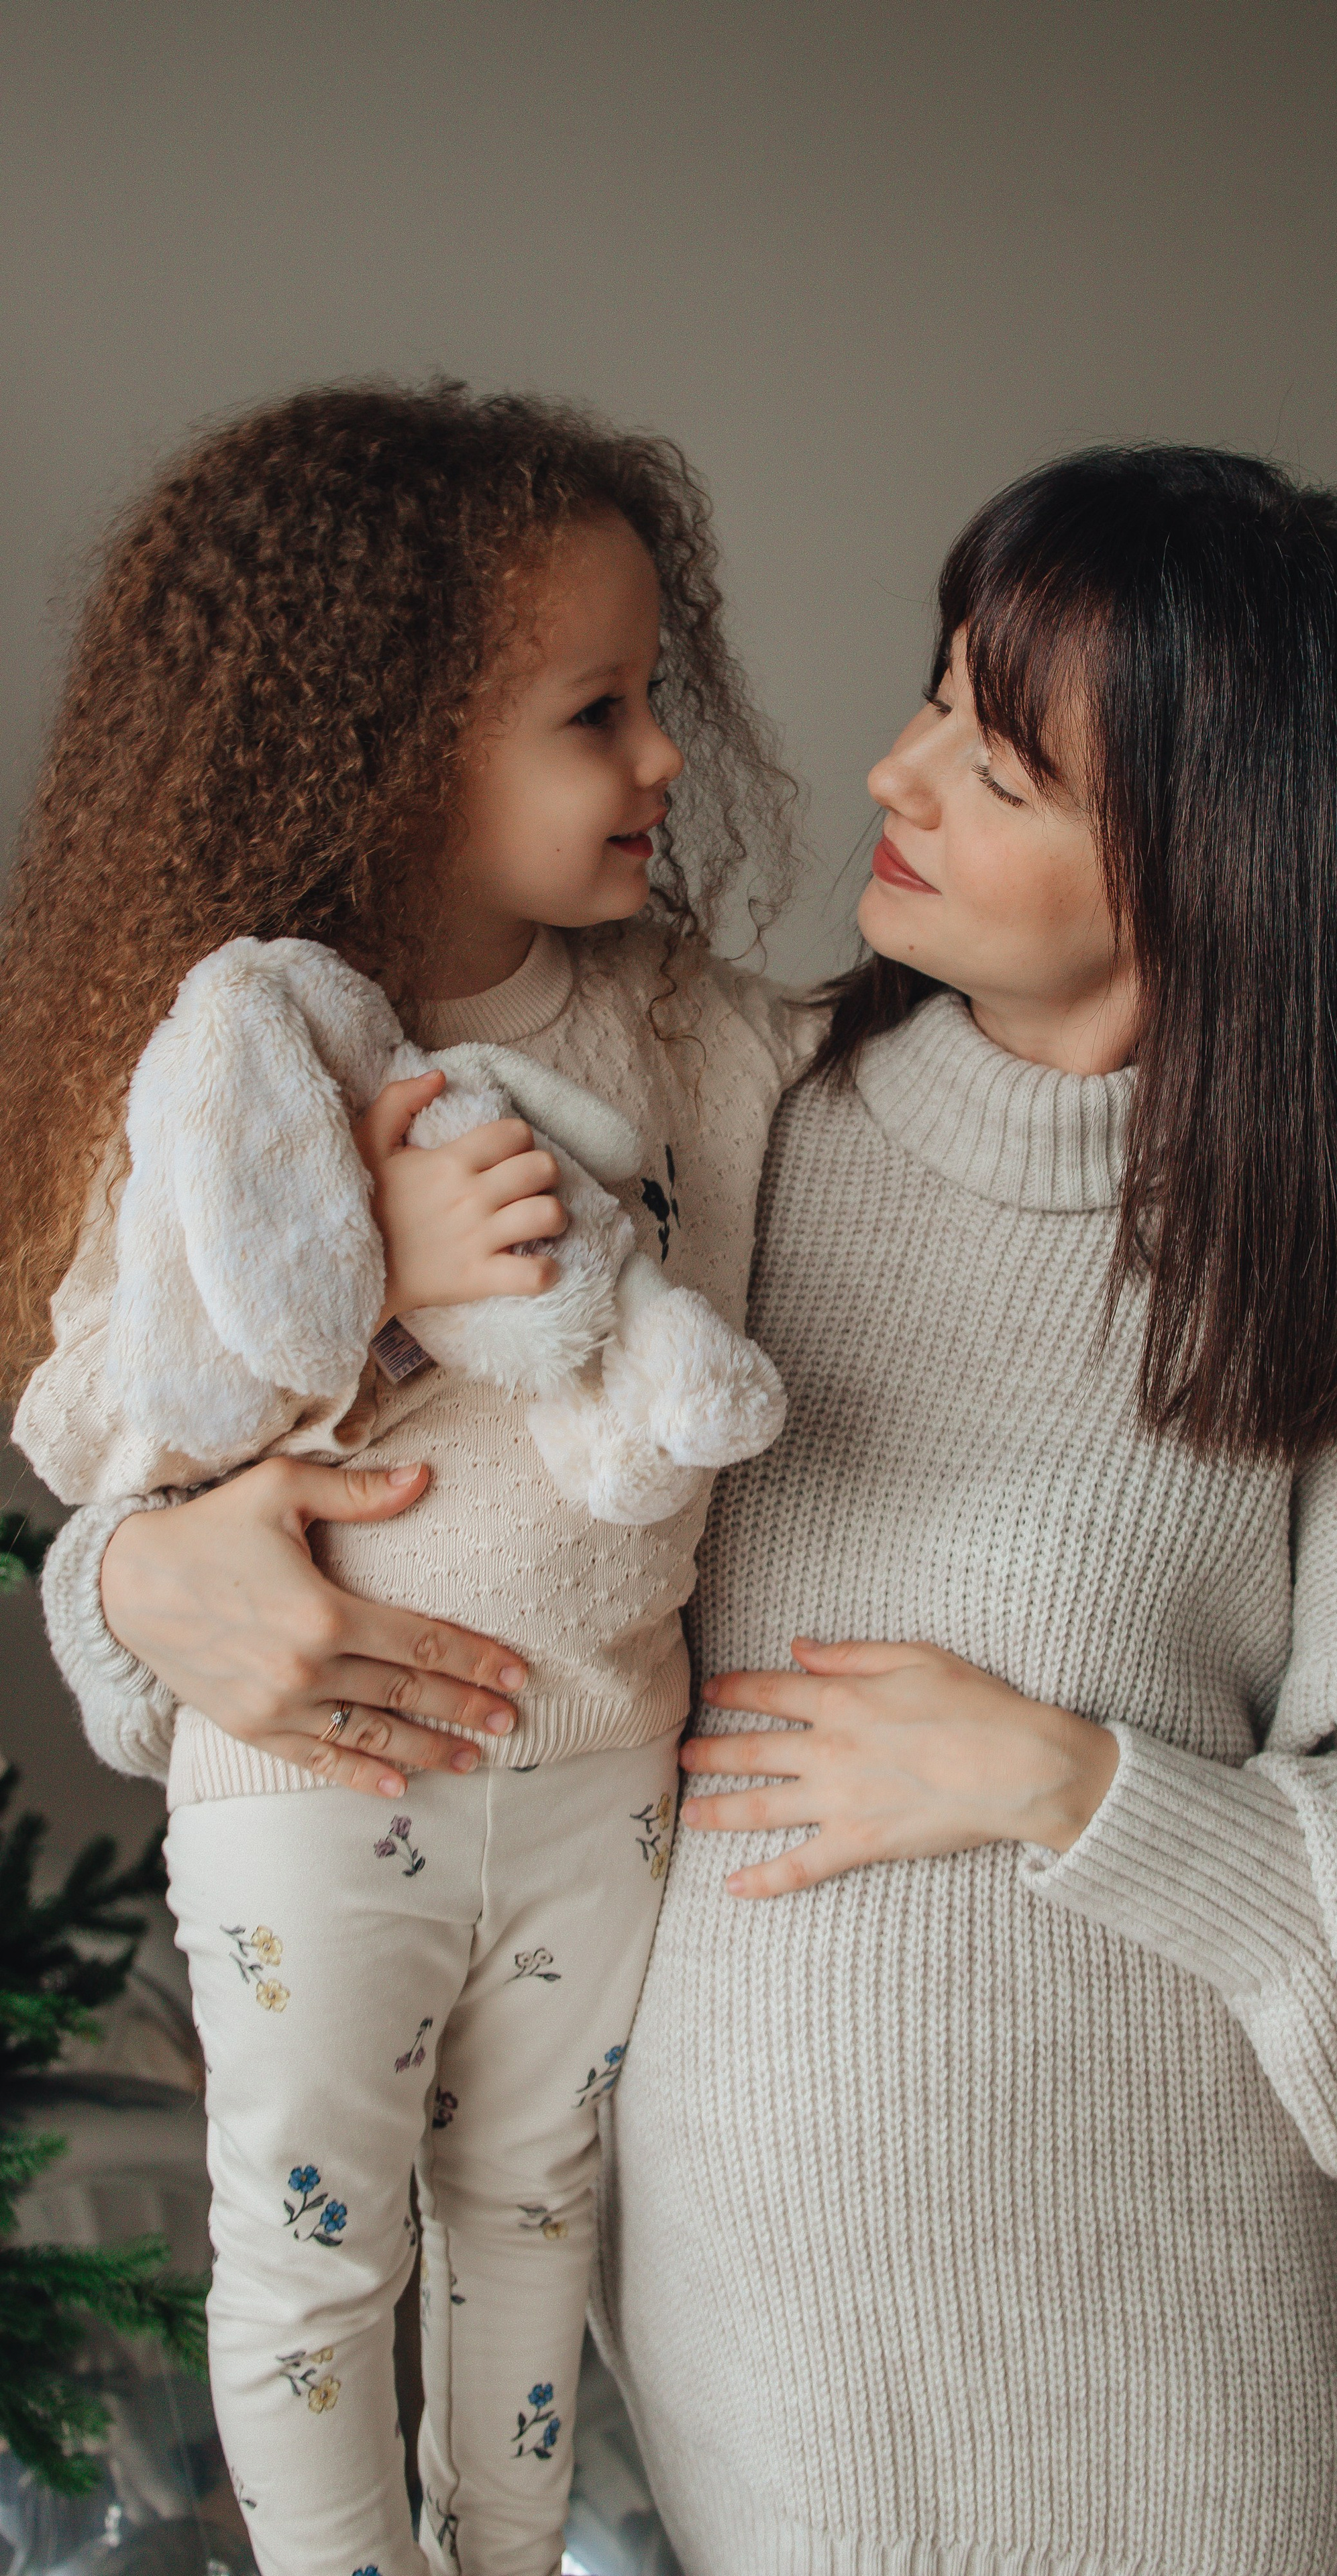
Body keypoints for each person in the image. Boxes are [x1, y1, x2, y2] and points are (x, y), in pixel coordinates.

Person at [40, 447, 1337, 2576]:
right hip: (761, 2412)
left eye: (999, 760)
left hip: (1179, 2411)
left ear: (1217, 855)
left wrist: (1077, 1787)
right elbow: (312, 1448)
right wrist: (135, 1579)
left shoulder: (1329, 1273)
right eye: (939, 693)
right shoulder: (737, 1116)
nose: (895, 768)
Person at [1, 382, 804, 2576]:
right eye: (595, 713)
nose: (661, 759)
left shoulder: (681, 1034)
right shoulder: (229, 1053)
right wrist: (368, 1287)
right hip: (315, 1785)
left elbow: (866, 1129)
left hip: (597, 1773)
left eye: (656, 699)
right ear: (390, 738)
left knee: (535, 2226)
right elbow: (91, 1425)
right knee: (312, 2268)